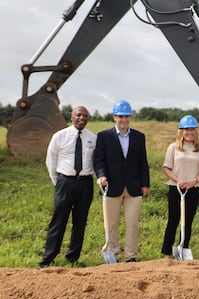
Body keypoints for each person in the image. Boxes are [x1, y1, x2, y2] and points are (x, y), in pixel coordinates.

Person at [94, 99, 150, 263]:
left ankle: (131, 256)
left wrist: (145, 184)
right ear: (114, 117)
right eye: (120, 116)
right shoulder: (104, 136)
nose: (123, 120)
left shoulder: (139, 137)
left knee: (132, 224)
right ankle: (113, 253)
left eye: (126, 116)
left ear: (131, 117)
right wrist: (101, 175)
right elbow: (99, 160)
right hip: (111, 186)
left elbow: (142, 162)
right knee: (111, 224)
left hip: (134, 187)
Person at [40, 106, 96, 268]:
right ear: (71, 117)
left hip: (85, 183)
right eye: (78, 115)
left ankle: (73, 257)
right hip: (65, 182)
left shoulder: (93, 138)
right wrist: (58, 182)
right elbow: (51, 161)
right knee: (58, 221)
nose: (81, 118)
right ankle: (48, 257)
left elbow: (95, 161)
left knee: (80, 221)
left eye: (85, 116)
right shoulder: (60, 136)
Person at [161, 115, 199, 260]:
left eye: (192, 130)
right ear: (181, 131)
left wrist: (193, 181)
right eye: (186, 129)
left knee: (187, 220)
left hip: (193, 189)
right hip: (176, 188)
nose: (189, 132)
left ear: (196, 132)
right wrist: (179, 180)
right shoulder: (173, 147)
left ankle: (184, 248)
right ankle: (167, 252)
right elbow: (166, 168)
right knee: (173, 219)